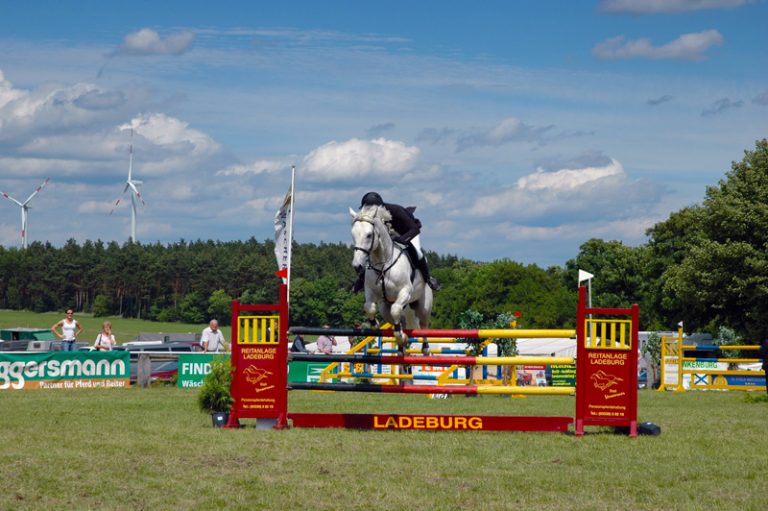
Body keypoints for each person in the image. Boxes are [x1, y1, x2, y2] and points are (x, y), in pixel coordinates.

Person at [352, 191, 441, 292]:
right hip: (392, 235)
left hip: (409, 232)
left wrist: (402, 239)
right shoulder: (372, 217)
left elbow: (415, 229)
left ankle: (428, 279)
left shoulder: (396, 211)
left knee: (418, 253)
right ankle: (361, 280)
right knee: (371, 250)